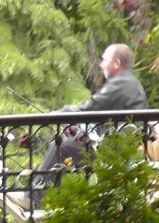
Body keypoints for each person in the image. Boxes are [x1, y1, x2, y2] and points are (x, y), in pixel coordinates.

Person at [31, 43, 148, 206]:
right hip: (119, 144)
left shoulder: (121, 84)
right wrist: (80, 128)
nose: (101, 65)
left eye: (104, 60)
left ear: (116, 63)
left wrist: (59, 114)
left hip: (113, 148)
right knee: (68, 141)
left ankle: (33, 199)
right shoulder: (129, 83)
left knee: (61, 147)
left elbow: (91, 108)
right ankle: (49, 200)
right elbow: (102, 116)